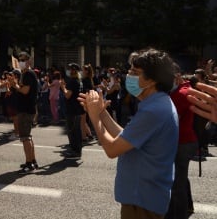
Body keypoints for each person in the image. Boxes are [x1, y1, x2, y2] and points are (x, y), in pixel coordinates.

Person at [78, 48, 178, 219]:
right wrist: (102, 112)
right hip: (146, 196)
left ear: (152, 80)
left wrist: (94, 117)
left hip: (142, 199)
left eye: (135, 72)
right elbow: (127, 138)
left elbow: (112, 149)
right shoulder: (158, 103)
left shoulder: (153, 110)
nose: (129, 75)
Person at [165, 63, 197, 219]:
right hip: (183, 141)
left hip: (182, 142)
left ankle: (178, 214)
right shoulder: (182, 90)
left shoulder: (181, 94)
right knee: (180, 179)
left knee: (177, 183)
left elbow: (168, 117)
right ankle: (187, 207)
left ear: (177, 76)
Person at [7, 51, 39, 174]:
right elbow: (21, 90)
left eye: (23, 60)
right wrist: (13, 85)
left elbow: (25, 91)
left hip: (26, 110)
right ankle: (32, 161)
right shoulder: (25, 74)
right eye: (20, 59)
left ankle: (29, 163)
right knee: (28, 137)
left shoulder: (29, 74)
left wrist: (15, 85)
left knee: (25, 138)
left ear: (29, 61)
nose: (21, 62)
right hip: (26, 109)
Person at [61, 63, 85, 159]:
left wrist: (63, 87)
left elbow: (68, 95)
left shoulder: (72, 82)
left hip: (72, 110)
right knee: (76, 130)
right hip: (77, 109)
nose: (69, 71)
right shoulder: (79, 81)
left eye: (70, 69)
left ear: (73, 71)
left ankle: (75, 151)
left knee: (72, 131)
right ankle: (77, 150)